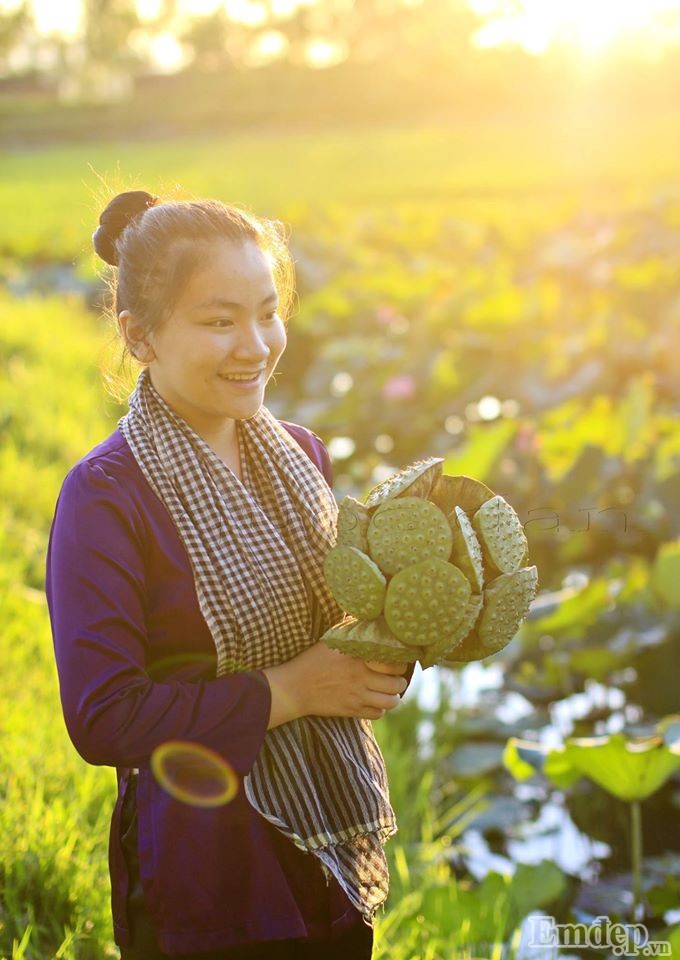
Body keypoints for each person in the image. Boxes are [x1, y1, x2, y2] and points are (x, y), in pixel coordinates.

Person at [45, 191, 415, 960]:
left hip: (328, 844)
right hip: (204, 873)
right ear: (139, 336)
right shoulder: (107, 495)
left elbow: (330, 637)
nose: (255, 345)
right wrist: (293, 691)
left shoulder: (302, 456)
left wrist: (390, 647)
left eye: (267, 312)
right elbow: (105, 717)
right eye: (219, 321)